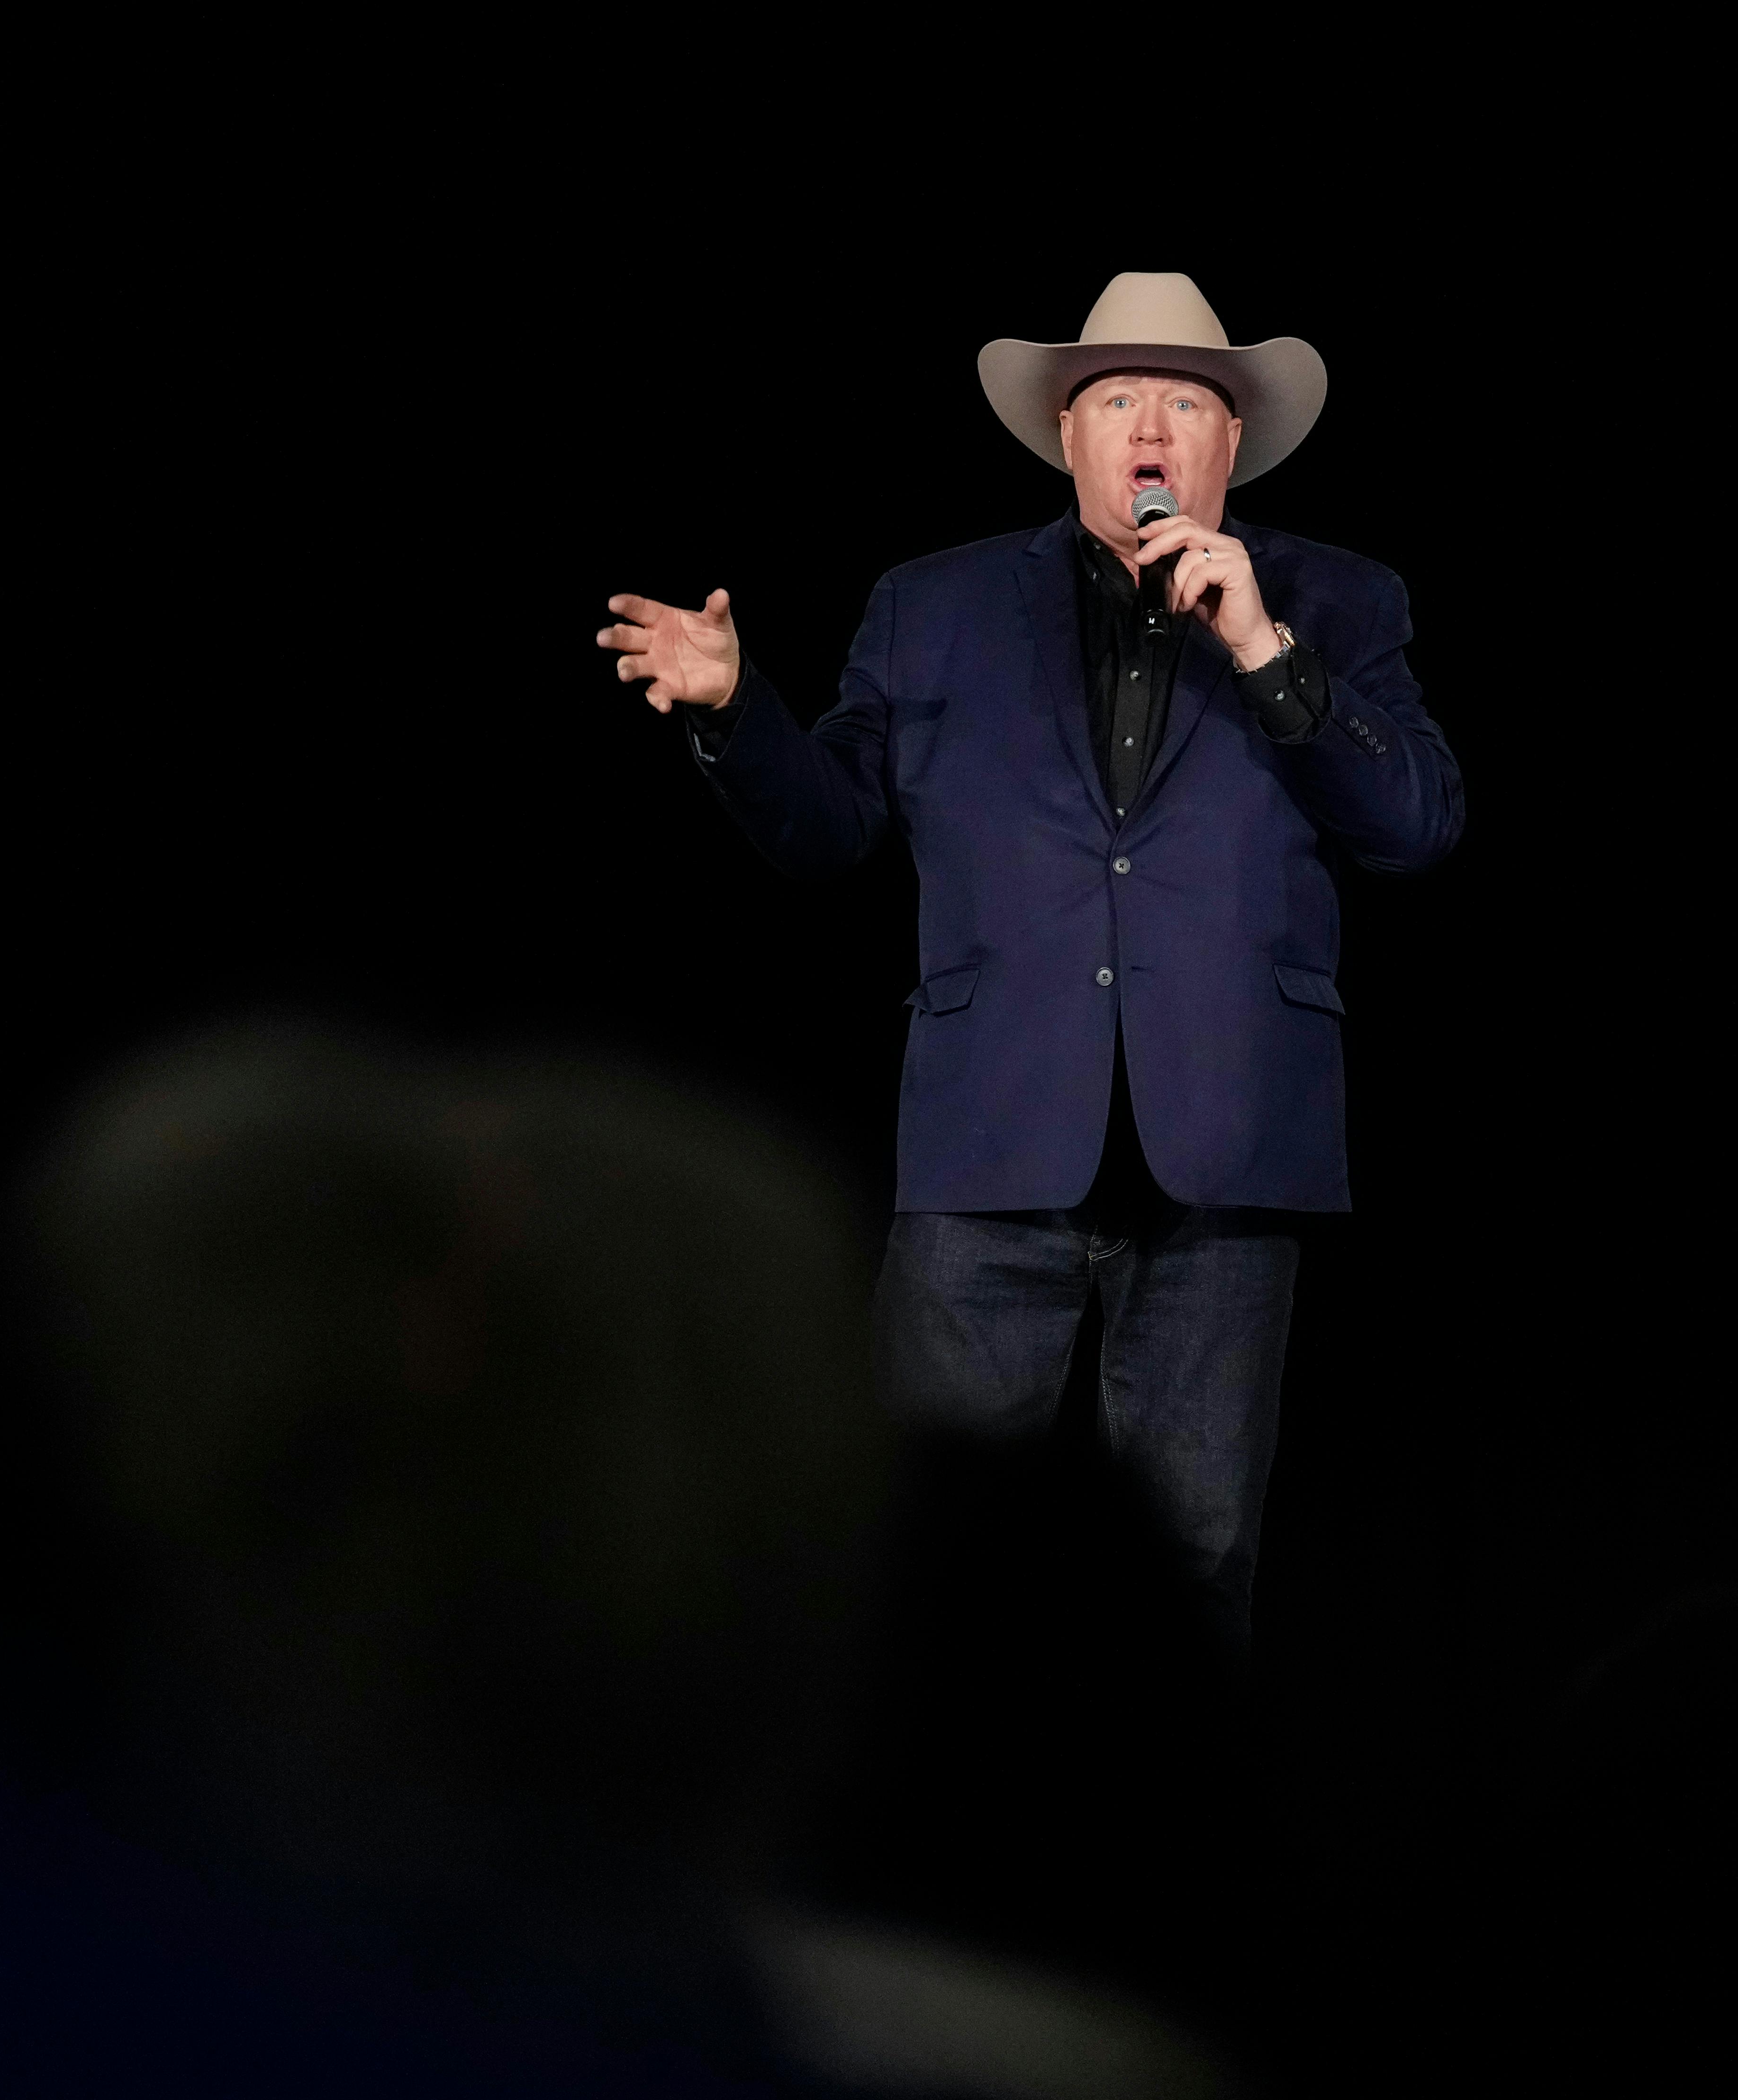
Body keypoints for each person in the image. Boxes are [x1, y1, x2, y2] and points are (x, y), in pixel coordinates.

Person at [598, 273, 1463, 1649]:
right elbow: (829, 831)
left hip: (1228, 1161)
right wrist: (732, 712)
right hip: (987, 1151)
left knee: (1192, 1571)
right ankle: (913, 1855)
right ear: (1065, 435)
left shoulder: (1338, 603)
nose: (1152, 425)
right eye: (1117, 397)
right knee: (909, 1555)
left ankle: (1154, 1859)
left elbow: (1418, 824)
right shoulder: (928, 607)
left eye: (1187, 401)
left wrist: (1264, 648)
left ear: (1230, 445)